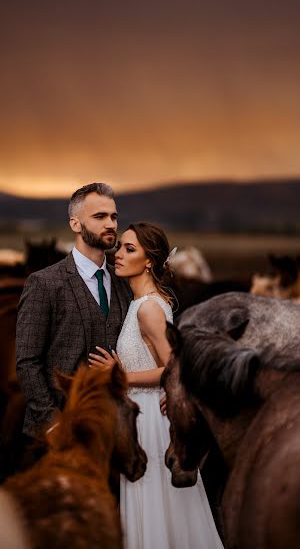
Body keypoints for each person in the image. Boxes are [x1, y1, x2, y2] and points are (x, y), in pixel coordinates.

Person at [89, 222, 223, 549]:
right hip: (143, 414)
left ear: (149, 260)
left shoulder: (148, 309)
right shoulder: (144, 303)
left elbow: (172, 370)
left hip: (151, 421)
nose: (117, 254)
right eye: (119, 246)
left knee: (157, 503)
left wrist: (120, 376)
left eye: (129, 249)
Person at [16, 182, 132, 438]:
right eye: (99, 216)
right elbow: (27, 362)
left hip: (114, 432)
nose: (111, 224)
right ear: (75, 224)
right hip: (56, 437)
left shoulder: (125, 283)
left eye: (113, 216)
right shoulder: (43, 283)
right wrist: (53, 421)